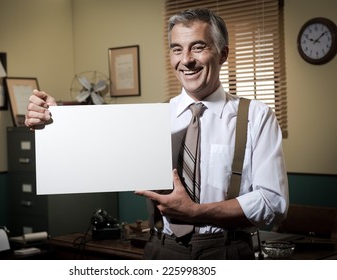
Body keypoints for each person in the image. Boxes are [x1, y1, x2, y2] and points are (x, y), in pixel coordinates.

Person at [25, 8, 288, 260]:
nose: (186, 60)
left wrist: (196, 212)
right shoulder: (152, 118)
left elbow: (273, 202)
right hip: (161, 251)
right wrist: (55, 120)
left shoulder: (256, 116)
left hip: (226, 252)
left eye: (198, 47)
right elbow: (96, 155)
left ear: (223, 53)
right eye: (177, 49)